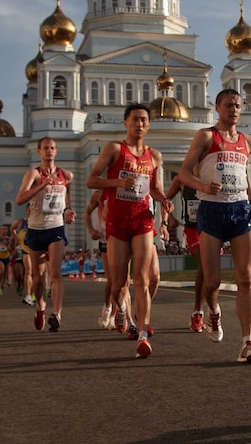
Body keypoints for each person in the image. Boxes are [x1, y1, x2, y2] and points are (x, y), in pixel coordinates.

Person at [177, 88, 251, 364]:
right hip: (212, 212)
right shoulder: (206, 136)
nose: (234, 109)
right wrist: (203, 185)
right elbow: (183, 173)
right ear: (217, 107)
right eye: (228, 105)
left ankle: (247, 343)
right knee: (212, 280)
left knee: (246, 278)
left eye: (238, 105)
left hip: (240, 211)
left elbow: (246, 173)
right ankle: (213, 312)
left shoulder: (247, 141)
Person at [86, 103, 172, 359]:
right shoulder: (115, 149)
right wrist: (117, 182)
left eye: (144, 120)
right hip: (117, 223)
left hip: (142, 221)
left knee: (143, 279)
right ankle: (120, 308)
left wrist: (164, 199)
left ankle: (143, 334)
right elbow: (92, 180)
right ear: (126, 123)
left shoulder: (154, 156)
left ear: (149, 124)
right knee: (118, 283)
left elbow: (155, 189)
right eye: (135, 119)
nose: (140, 124)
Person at [15, 136, 76, 332]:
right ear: (39, 152)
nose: (49, 151)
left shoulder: (66, 175)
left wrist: (68, 210)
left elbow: (67, 197)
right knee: (39, 278)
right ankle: (41, 306)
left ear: (56, 151)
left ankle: (56, 314)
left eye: (52, 148)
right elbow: (19, 199)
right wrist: (42, 185)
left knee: (56, 273)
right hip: (35, 229)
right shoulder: (33, 174)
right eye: (45, 148)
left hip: (55, 228)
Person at [165, 170, 206, 332]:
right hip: (192, 230)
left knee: (212, 273)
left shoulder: (210, 175)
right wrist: (169, 217)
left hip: (211, 228)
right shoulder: (181, 180)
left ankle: (212, 311)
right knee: (204, 266)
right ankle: (198, 314)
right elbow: (166, 199)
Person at [84, 189, 115, 329]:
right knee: (112, 280)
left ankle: (116, 315)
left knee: (122, 280)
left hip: (121, 237)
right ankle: (107, 308)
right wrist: (91, 230)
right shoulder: (98, 194)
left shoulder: (124, 189)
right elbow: (87, 213)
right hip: (105, 240)